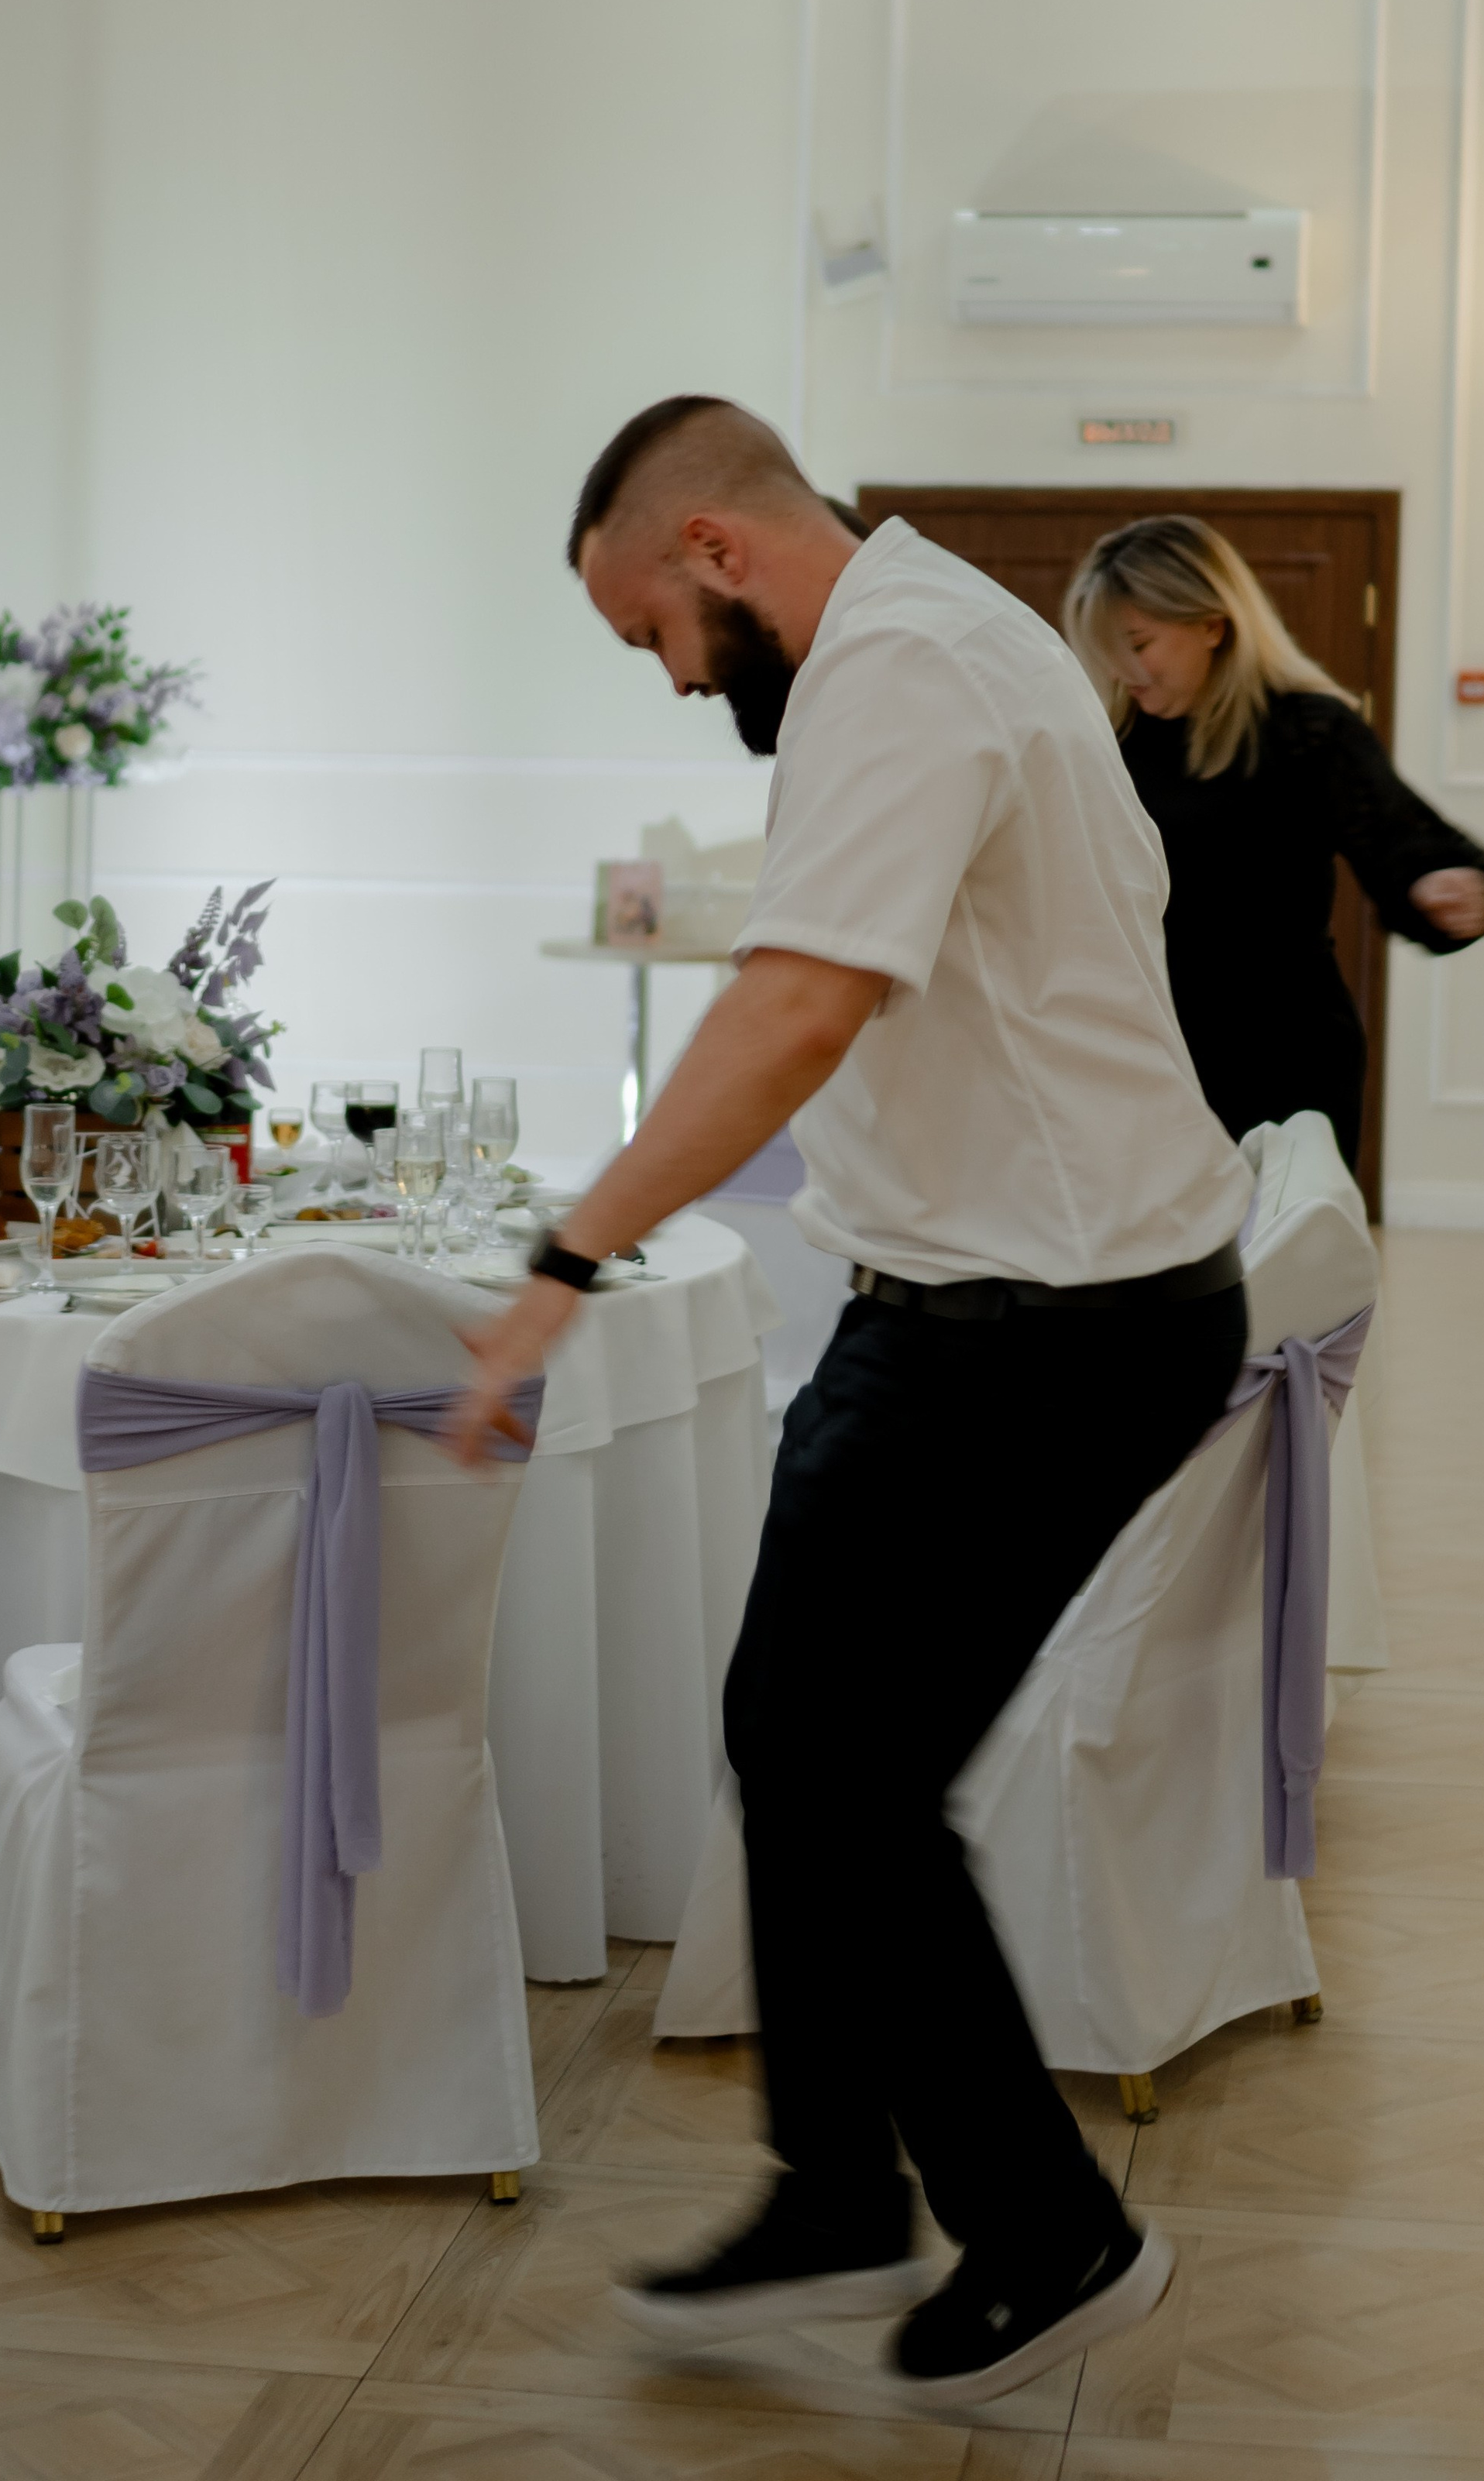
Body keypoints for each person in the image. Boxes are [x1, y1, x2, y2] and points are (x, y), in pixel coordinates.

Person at [452, 397, 1256, 2409]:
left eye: (650, 628)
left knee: (844, 1773)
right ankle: (833, 2192)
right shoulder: (929, 641)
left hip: (1052, 1320)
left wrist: (565, 1264)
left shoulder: (903, 667)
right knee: (794, 1741)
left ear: (714, 554)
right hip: (969, 1302)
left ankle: (1046, 2228)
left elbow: (800, 1005)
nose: (663, 672)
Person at [1063, 515, 1484, 1172]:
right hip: (1143, 1048)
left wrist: (1442, 884)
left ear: (1213, 625)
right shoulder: (1104, 744)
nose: (1123, 669)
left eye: (1138, 642)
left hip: (1284, 1054)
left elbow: (1405, 845)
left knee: (1280, 1266)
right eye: (1105, 649)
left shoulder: (1307, 732)